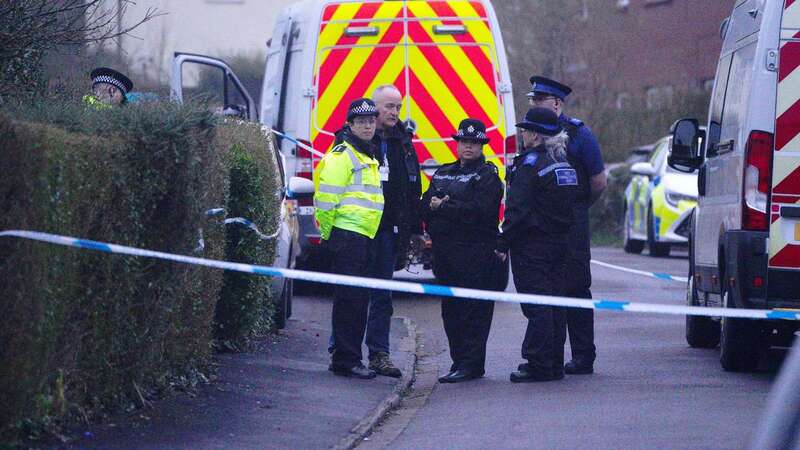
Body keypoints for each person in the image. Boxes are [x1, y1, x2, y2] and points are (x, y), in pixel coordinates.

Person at [326, 85, 422, 378]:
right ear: (372, 109)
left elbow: (411, 185)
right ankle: (342, 350)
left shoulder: (403, 141)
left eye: (398, 107)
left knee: (382, 295)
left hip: (387, 231)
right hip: (356, 232)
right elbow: (331, 190)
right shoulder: (353, 143)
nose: (394, 112)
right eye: (388, 107)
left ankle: (379, 354)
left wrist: (415, 230)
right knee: (352, 293)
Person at [527, 76, 606, 375]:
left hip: (572, 220)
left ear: (557, 103)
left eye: (539, 100)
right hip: (542, 222)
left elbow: (598, 181)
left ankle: (584, 355)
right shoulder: (533, 132)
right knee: (549, 287)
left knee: (575, 287)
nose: (533, 104)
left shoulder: (579, 134)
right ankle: (552, 356)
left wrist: (579, 207)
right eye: (532, 99)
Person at [421, 118, 504, 383]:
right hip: (446, 255)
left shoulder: (488, 175)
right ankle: (458, 362)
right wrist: (441, 208)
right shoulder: (443, 172)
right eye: (464, 142)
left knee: (474, 312)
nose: (468, 147)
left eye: (474, 143)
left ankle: (471, 364)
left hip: (476, 255)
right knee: (451, 311)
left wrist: (444, 206)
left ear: (482, 146)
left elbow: (480, 212)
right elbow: (425, 204)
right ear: (457, 144)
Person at [499, 107, 578, 382]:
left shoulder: (530, 165)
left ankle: (540, 364)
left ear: (535, 135)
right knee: (555, 303)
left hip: (532, 247)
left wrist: (502, 241)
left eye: (525, 130)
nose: (522, 134)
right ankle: (554, 362)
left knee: (537, 305)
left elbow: (517, 209)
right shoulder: (564, 165)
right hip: (559, 244)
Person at [314, 98, 384, 379]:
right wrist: (329, 235)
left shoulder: (367, 154)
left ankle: (349, 358)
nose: (367, 126)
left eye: (371, 121)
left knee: (357, 301)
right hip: (348, 237)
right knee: (350, 302)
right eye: (361, 122)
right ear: (350, 125)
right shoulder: (343, 156)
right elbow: (326, 200)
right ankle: (347, 360)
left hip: (363, 236)